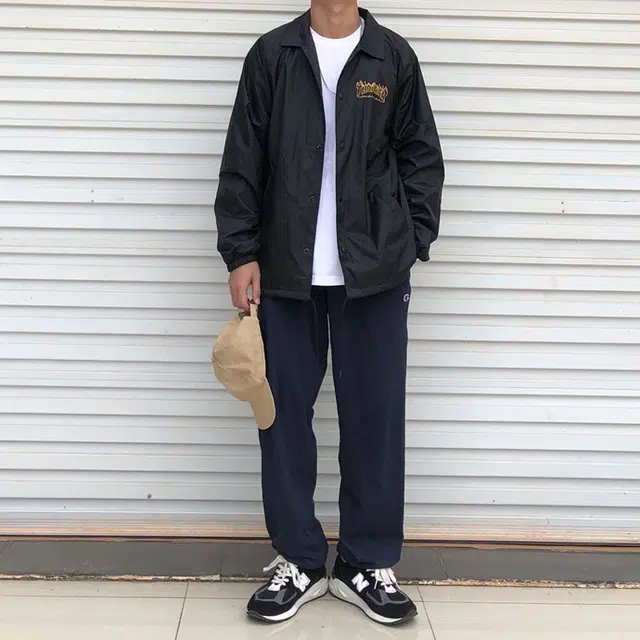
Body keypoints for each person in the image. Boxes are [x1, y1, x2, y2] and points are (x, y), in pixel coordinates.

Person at [214, 0, 444, 626]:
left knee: (375, 418)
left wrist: (410, 241)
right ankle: (300, 559)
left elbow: (421, 158)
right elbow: (243, 159)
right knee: (281, 417)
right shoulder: (273, 55)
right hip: (285, 272)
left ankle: (365, 562)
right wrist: (241, 253)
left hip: (374, 275)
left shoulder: (392, 57)